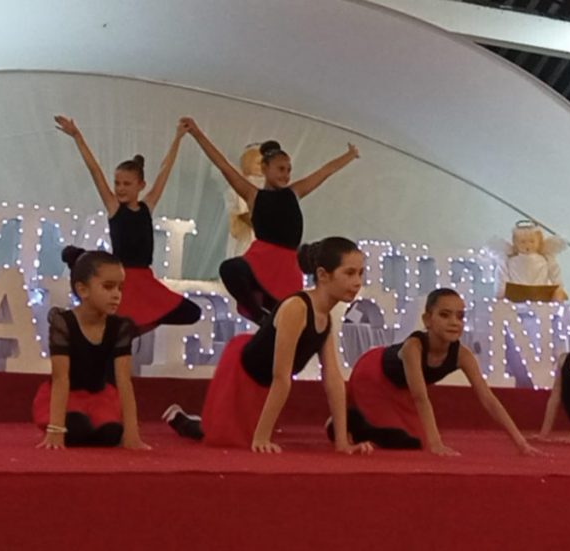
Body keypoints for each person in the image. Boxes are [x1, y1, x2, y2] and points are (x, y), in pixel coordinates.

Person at [164, 237, 373, 455]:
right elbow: (281, 377)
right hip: (242, 374)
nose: (357, 282)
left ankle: (196, 422)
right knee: (222, 437)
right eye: (349, 273)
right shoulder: (297, 308)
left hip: (264, 383)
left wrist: (342, 442)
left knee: (239, 434)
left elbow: (333, 379)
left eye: (361, 273)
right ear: (322, 275)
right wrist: (262, 437)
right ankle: (181, 420)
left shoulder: (325, 318)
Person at [183, 116, 359, 324]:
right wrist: (196, 133)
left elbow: (324, 172)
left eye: (289, 170)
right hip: (260, 260)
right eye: (281, 169)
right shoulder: (253, 195)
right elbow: (223, 165)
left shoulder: (294, 192)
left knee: (289, 318)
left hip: (286, 267)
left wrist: (349, 156)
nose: (286, 174)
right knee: (229, 269)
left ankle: (269, 321)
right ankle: (258, 315)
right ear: (265, 168)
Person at [342, 289, 542, 456]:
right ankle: (347, 423)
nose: (454, 322)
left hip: (400, 389)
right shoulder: (414, 347)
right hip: (373, 376)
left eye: (460, 316)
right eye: (445, 315)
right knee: (403, 441)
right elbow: (420, 397)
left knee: (416, 441)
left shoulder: (462, 355)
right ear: (427, 319)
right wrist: (436, 444)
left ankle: (359, 425)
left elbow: (488, 399)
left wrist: (521, 443)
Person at [54, 115, 201, 335]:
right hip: (123, 279)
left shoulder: (147, 206)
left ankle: (128, 333)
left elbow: (165, 170)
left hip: (146, 280)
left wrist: (178, 138)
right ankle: (119, 337)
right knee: (116, 327)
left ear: (141, 185)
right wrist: (77, 136)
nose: (120, 188)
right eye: (117, 183)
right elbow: (95, 171)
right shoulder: (114, 207)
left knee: (191, 312)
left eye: (126, 184)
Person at [33, 247, 149, 450]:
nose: (116, 295)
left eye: (120, 288)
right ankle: (70, 423)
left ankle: (98, 424)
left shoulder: (119, 327)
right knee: (76, 428)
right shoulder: (64, 323)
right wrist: (55, 429)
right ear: (83, 290)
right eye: (108, 287)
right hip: (68, 396)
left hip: (101, 398)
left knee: (111, 434)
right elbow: (61, 378)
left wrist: (131, 431)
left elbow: (124, 380)